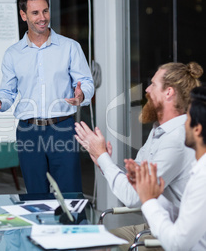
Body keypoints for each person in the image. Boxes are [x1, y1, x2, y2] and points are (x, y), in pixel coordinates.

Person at [74, 62, 203, 249]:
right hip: (151, 226)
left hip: (169, 236)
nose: (147, 90)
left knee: (93, 247)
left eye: (153, 84)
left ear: (169, 92)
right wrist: (103, 162)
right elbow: (134, 180)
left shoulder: (177, 139)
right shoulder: (159, 129)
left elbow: (133, 195)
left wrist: (102, 155)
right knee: (88, 242)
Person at [0, 0, 94, 193]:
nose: (42, 18)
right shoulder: (13, 54)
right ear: (23, 15)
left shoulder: (70, 47)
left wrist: (81, 95)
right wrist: (0, 103)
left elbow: (85, 82)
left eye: (45, 11)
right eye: (35, 13)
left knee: (71, 195)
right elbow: (8, 92)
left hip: (63, 128)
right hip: (29, 132)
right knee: (36, 195)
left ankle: (74, 226)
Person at [134, 86, 206, 250]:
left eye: (186, 119)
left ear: (197, 129)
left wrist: (149, 200)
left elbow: (176, 243)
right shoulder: (198, 169)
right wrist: (158, 198)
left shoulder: (203, 179)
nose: (183, 125)